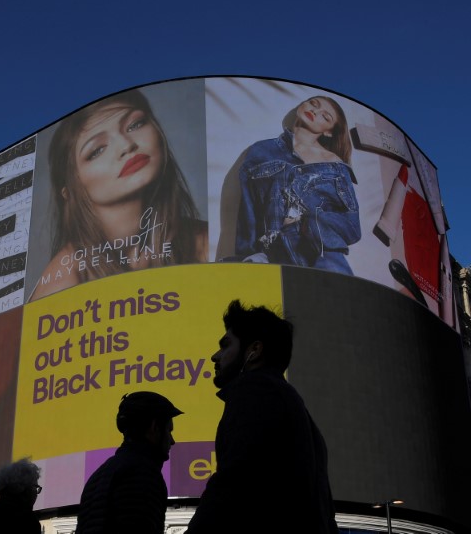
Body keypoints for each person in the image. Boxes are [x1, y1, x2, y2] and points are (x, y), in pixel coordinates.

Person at [30, 88, 208, 300]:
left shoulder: (205, 242)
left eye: (135, 124)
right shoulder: (64, 279)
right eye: (97, 150)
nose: (127, 145)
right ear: (69, 193)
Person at [184, 300, 338, 534]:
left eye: (225, 346)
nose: (215, 356)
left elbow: (232, 483)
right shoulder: (294, 407)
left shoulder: (255, 392)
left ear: (254, 350)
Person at [234, 95, 361, 275]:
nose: (315, 111)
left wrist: (307, 221)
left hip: (324, 256)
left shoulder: (335, 165)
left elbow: (352, 226)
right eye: (313, 104)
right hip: (273, 258)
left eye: (325, 116)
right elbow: (248, 209)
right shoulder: (262, 151)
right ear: (301, 105)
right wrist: (249, 254)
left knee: (334, 301)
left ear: (329, 132)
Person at [75, 391, 183, 534]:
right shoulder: (144, 474)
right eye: (169, 431)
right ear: (154, 427)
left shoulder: (98, 475)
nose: (172, 441)